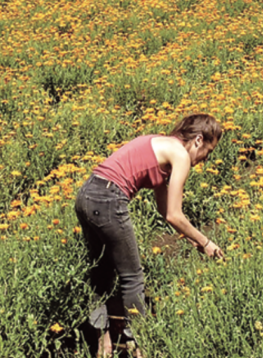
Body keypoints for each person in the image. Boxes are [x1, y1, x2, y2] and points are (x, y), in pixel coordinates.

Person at [75, 113, 224, 357]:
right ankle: (140, 346)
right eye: (208, 152)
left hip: (87, 195)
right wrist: (206, 242)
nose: (204, 160)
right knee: (132, 277)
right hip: (109, 199)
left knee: (100, 271)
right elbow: (174, 215)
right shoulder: (180, 155)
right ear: (198, 140)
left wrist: (190, 237)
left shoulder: (160, 144)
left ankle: (103, 342)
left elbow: (164, 209)